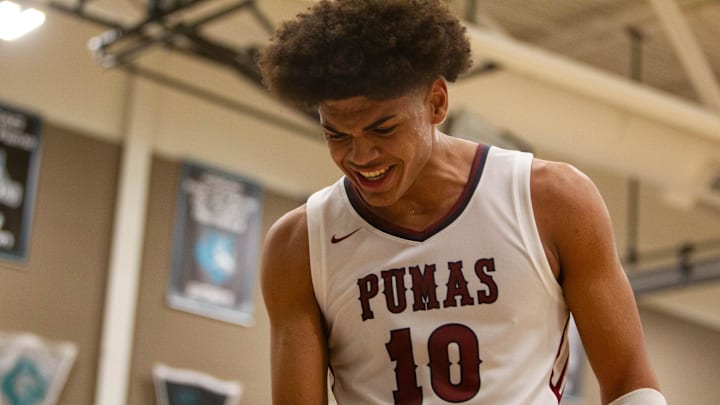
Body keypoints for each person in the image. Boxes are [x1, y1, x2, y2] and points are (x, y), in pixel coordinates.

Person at [257, 1, 665, 404]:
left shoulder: (551, 199)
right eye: (337, 136)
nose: (361, 157)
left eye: (383, 129)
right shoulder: (300, 244)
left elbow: (630, 381)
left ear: (436, 102)